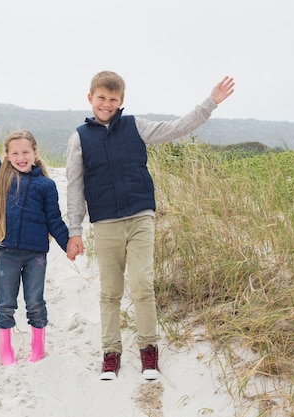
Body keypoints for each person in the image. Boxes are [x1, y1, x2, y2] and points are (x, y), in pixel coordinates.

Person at [66, 71, 235, 380]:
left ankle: (148, 351)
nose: (106, 104)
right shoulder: (79, 137)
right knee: (110, 292)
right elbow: (74, 186)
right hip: (105, 224)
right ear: (90, 98)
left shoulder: (136, 126)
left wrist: (210, 102)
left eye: (113, 99)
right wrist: (74, 231)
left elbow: (175, 129)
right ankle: (111, 354)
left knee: (143, 284)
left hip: (141, 217)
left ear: (122, 102)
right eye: (101, 98)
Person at [0, 90, 70, 366]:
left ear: (35, 153)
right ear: (8, 156)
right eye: (15, 153)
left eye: (26, 152)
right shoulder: (3, 177)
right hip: (8, 252)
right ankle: (5, 350)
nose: (21, 157)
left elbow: (54, 220)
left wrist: (68, 243)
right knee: (5, 304)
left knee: (35, 302)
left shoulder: (46, 185)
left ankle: (38, 348)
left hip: (36, 254)